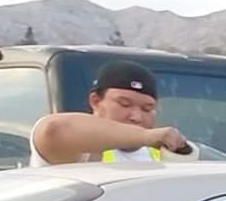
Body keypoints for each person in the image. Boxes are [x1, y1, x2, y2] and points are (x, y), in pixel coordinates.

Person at [29, 61, 192, 165]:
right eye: (124, 104)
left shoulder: (166, 156)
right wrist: (145, 136)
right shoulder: (79, 150)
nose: (136, 117)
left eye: (147, 108)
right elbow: (53, 130)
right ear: (95, 101)